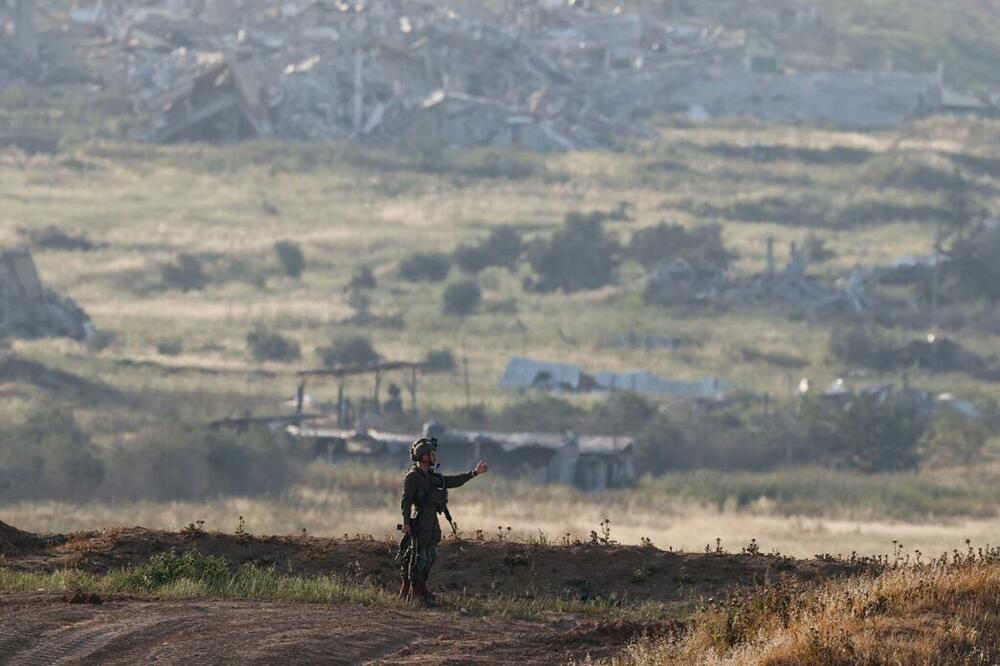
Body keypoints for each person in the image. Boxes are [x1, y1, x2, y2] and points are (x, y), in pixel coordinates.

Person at [398, 437, 487, 605]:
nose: (434, 457)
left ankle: (422, 587)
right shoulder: (413, 477)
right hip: (421, 519)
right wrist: (406, 522)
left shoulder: (432, 477)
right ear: (422, 455)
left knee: (431, 555)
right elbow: (406, 500)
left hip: (432, 519)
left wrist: (474, 473)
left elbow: (453, 481)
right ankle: (413, 590)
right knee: (419, 556)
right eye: (431, 454)